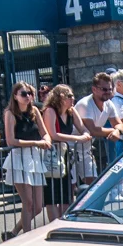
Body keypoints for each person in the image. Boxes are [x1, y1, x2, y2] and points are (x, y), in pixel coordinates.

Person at [3, 82, 51, 236]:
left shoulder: (34, 111)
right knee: (28, 203)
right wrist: (36, 143)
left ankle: (14, 231)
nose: (28, 97)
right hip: (19, 159)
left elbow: (44, 132)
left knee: (38, 206)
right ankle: (27, 236)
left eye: (30, 93)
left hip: (34, 158)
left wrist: (47, 140)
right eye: (24, 94)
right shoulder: (10, 113)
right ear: (15, 96)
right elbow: (11, 140)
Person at [42, 85, 89, 222]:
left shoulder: (71, 111)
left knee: (66, 195)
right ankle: (54, 223)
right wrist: (76, 138)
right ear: (60, 97)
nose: (72, 98)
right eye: (69, 96)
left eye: (72, 95)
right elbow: (53, 134)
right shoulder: (50, 111)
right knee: (52, 196)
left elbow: (83, 128)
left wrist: (85, 134)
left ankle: (64, 222)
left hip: (65, 156)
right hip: (51, 156)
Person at [75, 72, 122, 177]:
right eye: (104, 89)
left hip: (86, 150)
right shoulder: (85, 104)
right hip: (71, 149)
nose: (108, 92)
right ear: (94, 89)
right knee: (72, 185)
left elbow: (119, 124)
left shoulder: (109, 104)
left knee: (92, 182)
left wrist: (118, 131)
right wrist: (113, 131)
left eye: (110, 89)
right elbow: (92, 130)